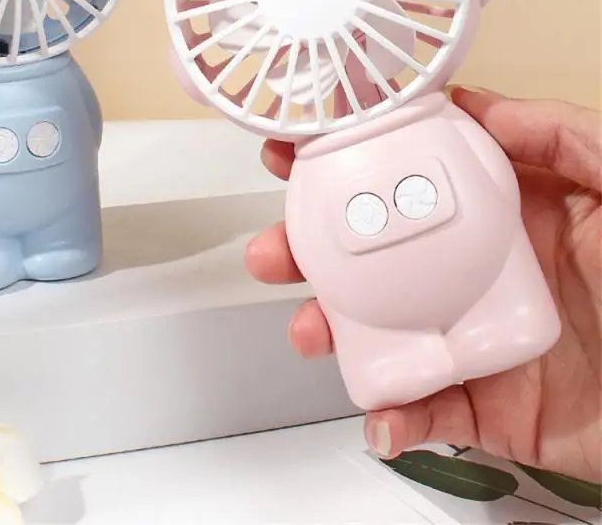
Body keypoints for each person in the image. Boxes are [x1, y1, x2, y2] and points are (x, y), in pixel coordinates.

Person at [245, 86, 601, 484]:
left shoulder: (439, 123)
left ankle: (494, 324)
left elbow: (500, 183)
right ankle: (394, 355)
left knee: (507, 301)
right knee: (382, 360)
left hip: (494, 274)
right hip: (384, 304)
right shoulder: (320, 164)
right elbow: (308, 245)